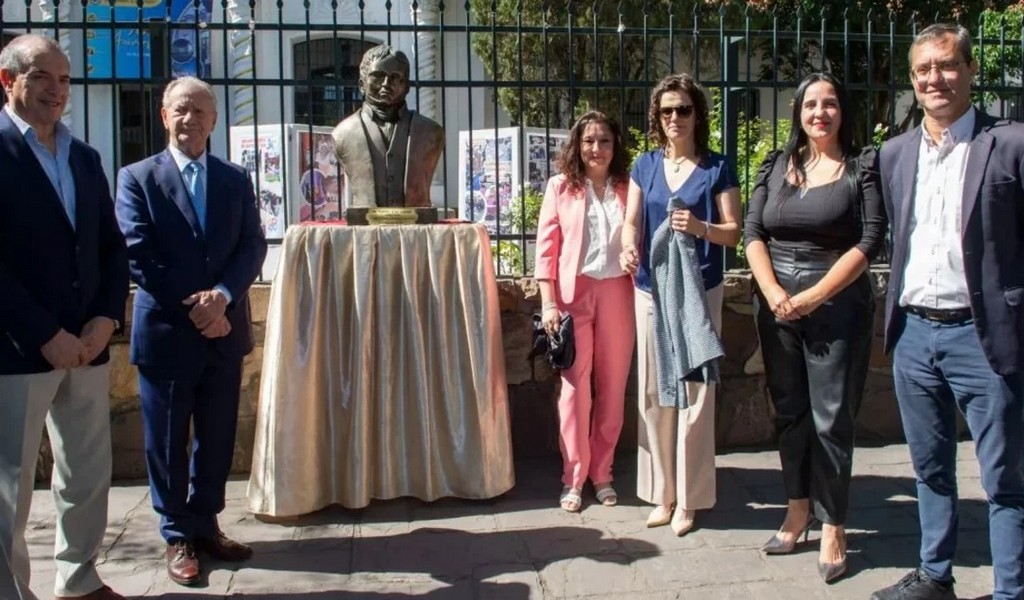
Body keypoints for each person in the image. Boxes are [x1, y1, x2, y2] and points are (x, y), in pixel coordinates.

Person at [871, 23, 1024, 600]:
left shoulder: (1010, 143)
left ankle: (1011, 591)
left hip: (984, 337)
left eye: (946, 65)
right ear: (913, 81)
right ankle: (936, 576)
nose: (935, 78)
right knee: (929, 470)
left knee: (1004, 480)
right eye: (923, 70)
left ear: (970, 71)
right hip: (914, 333)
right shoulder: (895, 153)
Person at [115, 76, 267, 587]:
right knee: (166, 439)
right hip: (167, 333)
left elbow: (252, 246)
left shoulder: (233, 179)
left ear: (215, 121)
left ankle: (206, 525)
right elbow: (139, 253)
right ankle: (176, 532)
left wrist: (222, 297)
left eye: (201, 112)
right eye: (181, 109)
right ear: (164, 115)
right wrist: (199, 307)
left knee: (217, 437)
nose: (191, 120)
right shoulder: (136, 178)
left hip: (224, 331)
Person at [0, 34, 129, 600]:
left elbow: (110, 246)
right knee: (10, 487)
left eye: (64, 79)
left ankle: (78, 579)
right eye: (42, 78)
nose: (56, 91)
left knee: (85, 476)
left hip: (87, 345)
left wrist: (104, 319)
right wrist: (42, 334)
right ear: (9, 81)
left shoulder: (84, 155)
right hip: (18, 350)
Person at [744, 72, 886, 584]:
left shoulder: (862, 166)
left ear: (842, 111)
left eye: (829, 103)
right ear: (798, 113)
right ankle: (797, 509)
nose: (819, 113)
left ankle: (833, 525)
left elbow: (870, 240)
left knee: (832, 420)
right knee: (790, 414)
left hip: (837, 305)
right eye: (809, 105)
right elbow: (753, 232)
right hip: (777, 305)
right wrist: (775, 293)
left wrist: (812, 295)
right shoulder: (776, 165)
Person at [620, 73, 742, 535]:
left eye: (683, 109)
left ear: (697, 115)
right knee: (654, 390)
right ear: (657, 116)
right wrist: (626, 247)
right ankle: (663, 492)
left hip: (698, 290)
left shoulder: (717, 167)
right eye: (666, 110)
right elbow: (631, 222)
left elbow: (734, 230)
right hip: (650, 289)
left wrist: (701, 228)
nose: (675, 118)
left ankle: (690, 498)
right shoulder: (644, 166)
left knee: (696, 390)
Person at [534, 111, 636, 512]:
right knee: (575, 391)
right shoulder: (560, 187)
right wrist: (548, 302)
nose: (597, 148)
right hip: (574, 296)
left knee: (612, 388)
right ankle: (573, 476)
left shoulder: (630, 187)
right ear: (577, 145)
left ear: (616, 146)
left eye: (605, 141)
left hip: (618, 295)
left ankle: (603, 473)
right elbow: (546, 249)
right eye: (589, 141)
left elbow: (640, 234)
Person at [331, 44, 444, 208]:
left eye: (395, 77)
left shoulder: (431, 132)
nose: (386, 83)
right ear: (362, 84)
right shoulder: (342, 134)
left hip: (414, 225)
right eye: (377, 76)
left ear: (406, 86)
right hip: (366, 227)